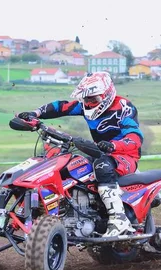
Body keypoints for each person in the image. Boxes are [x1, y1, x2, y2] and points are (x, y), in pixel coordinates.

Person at [18, 71, 143, 237]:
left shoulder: (124, 107)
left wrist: (113, 145)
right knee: (69, 164)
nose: (89, 103)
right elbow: (61, 107)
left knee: (102, 166)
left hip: (125, 156)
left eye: (93, 99)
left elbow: (135, 138)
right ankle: (62, 211)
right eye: (86, 99)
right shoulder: (85, 106)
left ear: (106, 94)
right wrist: (36, 113)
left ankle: (118, 219)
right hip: (100, 152)